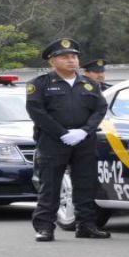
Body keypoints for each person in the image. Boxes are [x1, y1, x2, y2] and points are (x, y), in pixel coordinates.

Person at [26, 38, 110, 242]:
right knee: (51, 185)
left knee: (85, 183)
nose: (71, 60)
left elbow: (100, 109)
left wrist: (84, 131)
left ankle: (86, 225)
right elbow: (37, 111)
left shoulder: (89, 84)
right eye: (65, 57)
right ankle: (45, 227)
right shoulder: (40, 84)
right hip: (53, 141)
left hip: (84, 140)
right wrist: (62, 133)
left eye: (74, 56)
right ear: (52, 61)